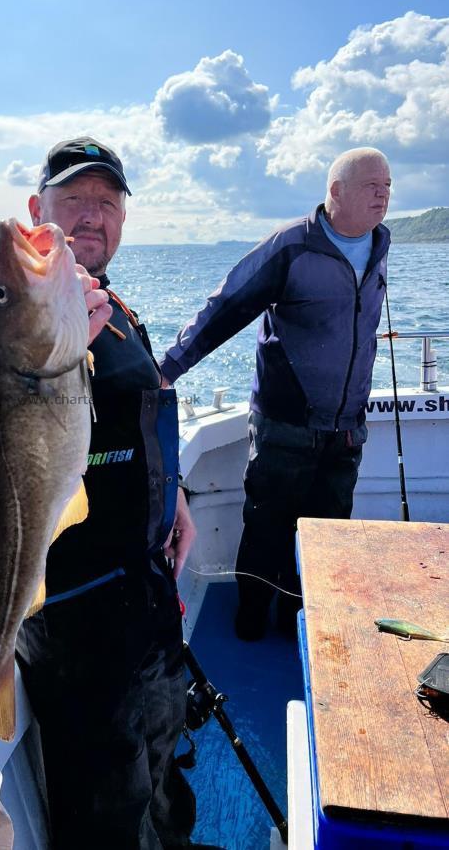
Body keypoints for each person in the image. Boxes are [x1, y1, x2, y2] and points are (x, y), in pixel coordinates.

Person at [0, 137, 205, 849]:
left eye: (107, 202)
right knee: (104, 799)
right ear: (38, 208)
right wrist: (12, 343)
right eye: (73, 198)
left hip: (146, 591)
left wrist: (177, 499)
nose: (91, 215)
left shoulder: (113, 308)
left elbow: (142, 414)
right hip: (74, 616)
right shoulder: (12, 298)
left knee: (164, 761)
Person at [159, 147, 391, 641]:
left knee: (330, 536)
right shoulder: (292, 246)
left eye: (388, 185)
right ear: (335, 192)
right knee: (267, 529)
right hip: (285, 424)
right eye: (373, 185)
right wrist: (168, 369)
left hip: (346, 428)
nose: (384, 194)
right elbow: (227, 306)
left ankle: (300, 624)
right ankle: (251, 622)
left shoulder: (380, 242)